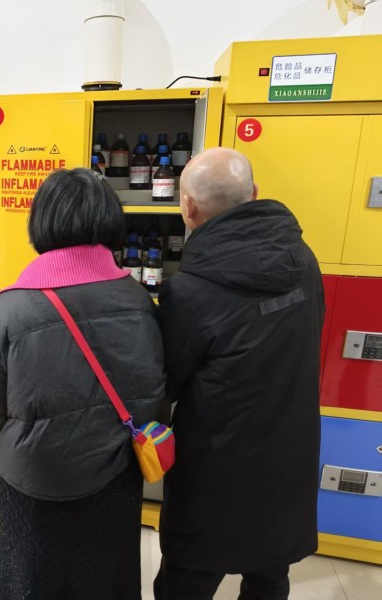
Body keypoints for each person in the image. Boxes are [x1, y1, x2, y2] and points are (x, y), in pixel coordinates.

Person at [0, 168, 167, 600]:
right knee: (106, 578)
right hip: (116, 474)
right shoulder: (137, 299)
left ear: (42, 223)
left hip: (35, 476)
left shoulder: (12, 307)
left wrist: (28, 424)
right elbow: (153, 391)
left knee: (30, 579)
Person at [154, 148, 325, 600]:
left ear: (188, 207)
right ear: (254, 193)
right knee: (269, 575)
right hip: (288, 455)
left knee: (186, 583)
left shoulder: (190, 291)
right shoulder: (303, 259)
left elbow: (165, 381)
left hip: (216, 469)